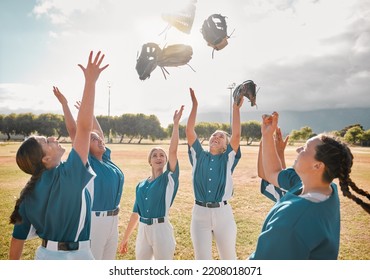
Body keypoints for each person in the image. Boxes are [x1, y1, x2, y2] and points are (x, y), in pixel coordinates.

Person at [9, 51, 108, 260]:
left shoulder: (28, 194)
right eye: (46, 141)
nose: (53, 138)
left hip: (45, 257)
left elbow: (17, 240)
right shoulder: (68, 173)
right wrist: (90, 82)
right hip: (77, 256)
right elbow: (83, 129)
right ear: (45, 160)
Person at [249, 111, 370, 260]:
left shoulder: (292, 219)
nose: (298, 150)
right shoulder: (325, 188)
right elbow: (273, 172)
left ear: (317, 166)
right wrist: (267, 135)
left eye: (305, 149)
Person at [53, 87, 124, 260]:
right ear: (85, 145)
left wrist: (91, 115)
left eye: (100, 140)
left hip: (113, 221)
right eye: (93, 140)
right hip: (95, 221)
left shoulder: (106, 159)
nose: (100, 140)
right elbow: (74, 131)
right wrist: (65, 104)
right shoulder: (87, 162)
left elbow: (99, 133)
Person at [118, 105, 184, 260]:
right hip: (143, 231)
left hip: (161, 230)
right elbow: (135, 213)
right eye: (155, 155)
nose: (159, 157)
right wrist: (126, 238)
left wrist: (175, 125)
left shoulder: (169, 179)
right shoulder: (141, 185)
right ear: (150, 161)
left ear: (166, 160)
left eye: (162, 155)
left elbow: (173, 151)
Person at [185, 87, 243, 260]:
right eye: (213, 135)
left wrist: (236, 109)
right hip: (199, 213)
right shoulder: (198, 155)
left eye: (221, 137)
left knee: (229, 259)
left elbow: (237, 135)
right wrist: (195, 105)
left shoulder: (228, 158)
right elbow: (189, 131)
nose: (216, 137)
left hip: (223, 214)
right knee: (202, 260)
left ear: (225, 145)